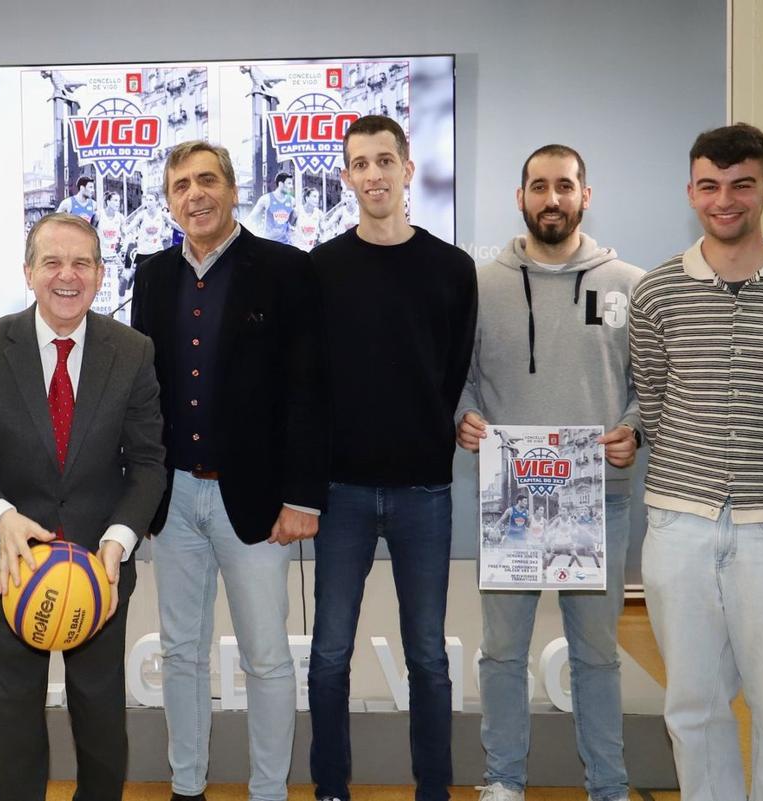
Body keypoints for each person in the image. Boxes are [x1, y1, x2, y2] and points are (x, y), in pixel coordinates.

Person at [0, 212, 166, 801]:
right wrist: (1, 518)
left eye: (82, 264)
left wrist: (117, 543)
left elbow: (146, 464)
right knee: (9, 729)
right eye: (53, 262)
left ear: (99, 274)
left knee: (100, 727)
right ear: (29, 272)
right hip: (5, 570)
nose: (68, 276)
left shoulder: (132, 351)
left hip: (98, 572)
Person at [131, 141, 326, 801]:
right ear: (170, 200)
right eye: (181, 184)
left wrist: (302, 496)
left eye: (207, 179)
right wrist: (145, 496)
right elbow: (144, 393)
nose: (196, 194)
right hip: (176, 498)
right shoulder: (153, 276)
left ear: (233, 189)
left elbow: (307, 389)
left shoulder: (285, 269)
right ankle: (188, 785)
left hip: (259, 500)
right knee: (181, 652)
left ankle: (268, 790)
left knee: (266, 656)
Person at [630, 123, 763, 801]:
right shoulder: (655, 294)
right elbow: (653, 402)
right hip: (680, 525)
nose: (725, 199)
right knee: (693, 709)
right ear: (691, 192)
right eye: (710, 185)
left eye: (742, 184)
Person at [456, 143, 642, 801]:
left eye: (565, 185)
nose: (552, 198)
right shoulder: (481, 284)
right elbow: (460, 376)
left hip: (599, 498)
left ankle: (608, 785)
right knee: (502, 654)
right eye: (539, 186)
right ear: (521, 197)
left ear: (584, 195)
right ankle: (504, 780)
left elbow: (651, 382)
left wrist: (634, 427)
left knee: (596, 656)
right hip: (511, 495)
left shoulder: (629, 283)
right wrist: (465, 414)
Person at [308, 114, 477, 801]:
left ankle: (433, 788)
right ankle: (329, 790)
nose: (373, 174)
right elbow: (311, 379)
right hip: (341, 490)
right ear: (346, 176)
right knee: (327, 655)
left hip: (422, 492)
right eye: (360, 163)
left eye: (385, 160)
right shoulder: (321, 268)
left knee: (429, 657)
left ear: (408, 169)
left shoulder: (451, 267)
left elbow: (452, 369)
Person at [246, 171, 295, 243]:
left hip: (285, 244)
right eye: (289, 183)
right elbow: (251, 218)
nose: (291, 186)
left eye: (292, 184)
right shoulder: (266, 199)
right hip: (269, 243)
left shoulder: (292, 200)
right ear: (280, 184)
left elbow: (292, 223)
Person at [290, 187, 323, 251]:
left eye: (318, 197)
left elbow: (322, 231)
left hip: (311, 249)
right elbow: (288, 228)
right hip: (297, 248)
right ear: (307, 198)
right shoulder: (297, 211)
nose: (317, 199)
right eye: (314, 196)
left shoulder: (319, 214)